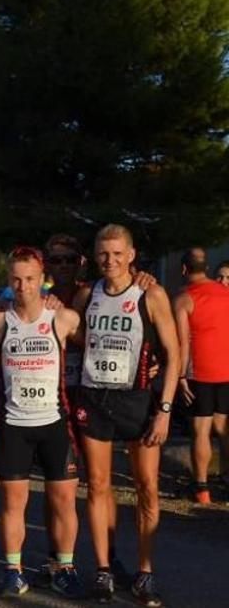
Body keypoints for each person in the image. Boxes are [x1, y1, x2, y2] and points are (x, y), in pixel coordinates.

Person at [72, 224, 180, 606]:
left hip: (137, 401)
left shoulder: (151, 294)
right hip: (96, 397)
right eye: (104, 253)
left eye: (118, 254)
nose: (110, 261)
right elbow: (71, 333)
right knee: (98, 485)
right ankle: (103, 570)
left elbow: (173, 353)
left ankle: (145, 571)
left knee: (146, 487)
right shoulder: (88, 294)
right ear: (95, 255)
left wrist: (164, 410)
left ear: (132, 255)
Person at [0, 247, 84, 598]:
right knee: (13, 504)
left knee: (63, 501)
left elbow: (91, 346)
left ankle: (66, 566)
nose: (23, 286)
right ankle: (14, 570)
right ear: (9, 281)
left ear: (42, 279)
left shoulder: (63, 319)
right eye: (16, 279)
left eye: (30, 279)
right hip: (14, 424)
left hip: (54, 423)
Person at [172, 248, 229, 503]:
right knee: (224, 427)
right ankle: (227, 480)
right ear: (206, 268)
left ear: (184, 269)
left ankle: (202, 488)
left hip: (201, 372)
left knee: (201, 429)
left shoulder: (184, 298)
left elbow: (183, 342)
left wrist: (180, 376)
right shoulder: (226, 294)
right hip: (226, 370)